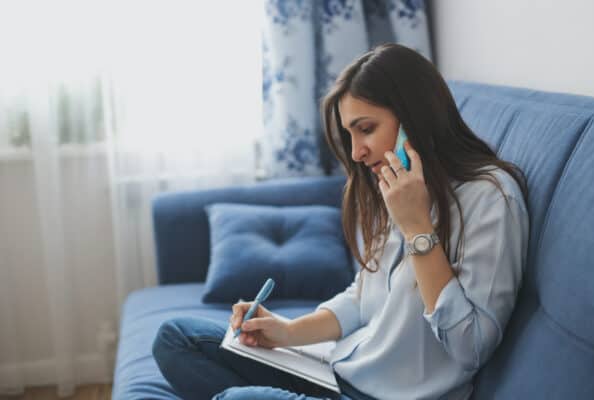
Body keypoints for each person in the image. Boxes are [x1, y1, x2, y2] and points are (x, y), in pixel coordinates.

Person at [152, 43, 530, 400]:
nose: (356, 152)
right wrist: (286, 332)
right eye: (350, 135)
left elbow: (470, 347)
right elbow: (362, 297)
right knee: (175, 339)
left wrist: (417, 229)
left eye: (366, 129)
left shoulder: (491, 197)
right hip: (341, 373)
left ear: (415, 119)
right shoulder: (394, 185)